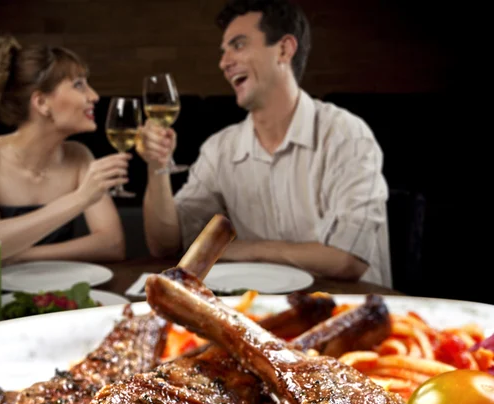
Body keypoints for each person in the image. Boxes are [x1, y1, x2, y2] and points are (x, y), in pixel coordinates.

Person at [138, 0, 392, 286]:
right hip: (261, 313)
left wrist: (246, 250)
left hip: (353, 310)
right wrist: (157, 167)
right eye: (224, 51)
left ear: (284, 50)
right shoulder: (219, 149)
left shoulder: (347, 135)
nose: (224, 63)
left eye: (239, 45)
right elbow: (167, 246)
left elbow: (348, 259)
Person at [0, 34, 130, 274]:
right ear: (42, 102)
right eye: (79, 85)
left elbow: (112, 245)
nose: (94, 96)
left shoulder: (79, 155)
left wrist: (15, 258)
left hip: (48, 294)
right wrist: (80, 199)